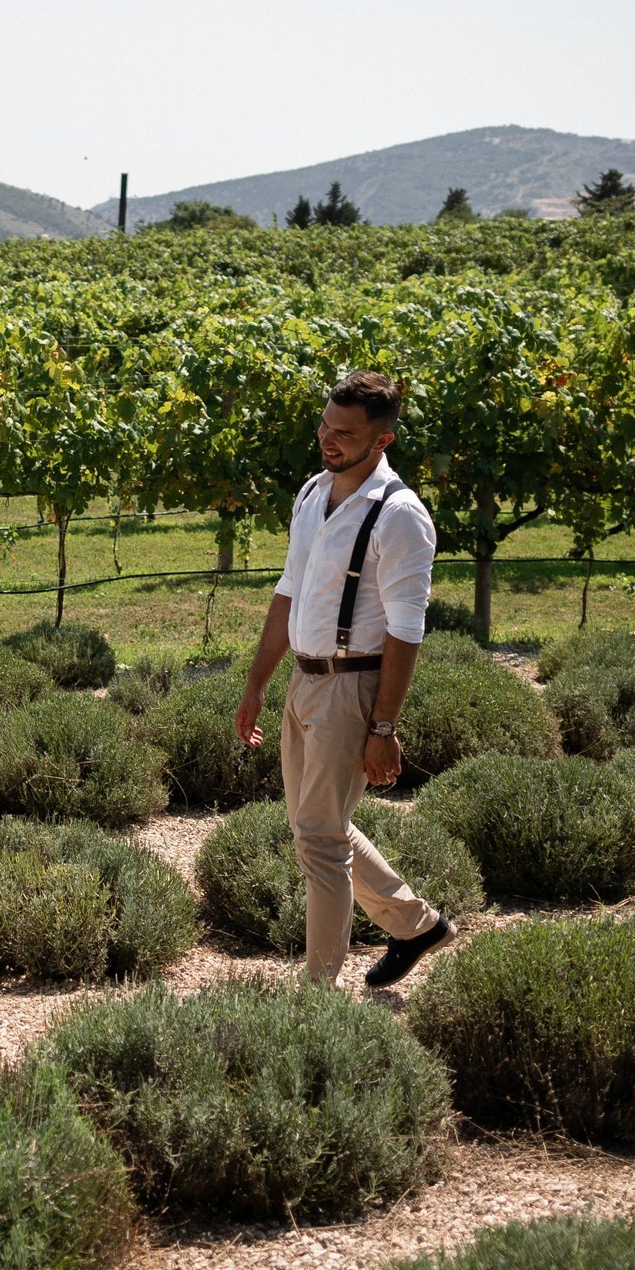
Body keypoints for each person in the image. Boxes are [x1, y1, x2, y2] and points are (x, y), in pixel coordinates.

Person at [234, 370, 455, 988]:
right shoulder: (311, 492)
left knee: (319, 841)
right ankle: (416, 924)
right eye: (325, 427)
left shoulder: (400, 516)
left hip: (353, 686)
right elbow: (289, 590)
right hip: (305, 683)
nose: (328, 441)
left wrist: (383, 725)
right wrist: (257, 684)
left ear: (381, 442)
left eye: (344, 433)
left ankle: (317, 994)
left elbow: (406, 631)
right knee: (317, 827)